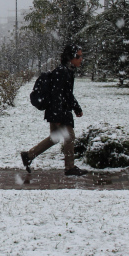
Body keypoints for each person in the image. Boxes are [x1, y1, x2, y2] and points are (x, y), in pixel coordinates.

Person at [21, 44, 87, 176]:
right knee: (70, 137)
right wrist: (57, 116)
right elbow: (57, 95)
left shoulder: (67, 71)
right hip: (58, 111)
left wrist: (76, 108)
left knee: (55, 138)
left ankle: (28, 156)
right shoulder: (62, 72)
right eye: (79, 56)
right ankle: (70, 168)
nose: (81, 59)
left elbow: (67, 94)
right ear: (71, 57)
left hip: (59, 110)